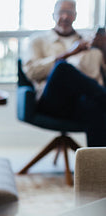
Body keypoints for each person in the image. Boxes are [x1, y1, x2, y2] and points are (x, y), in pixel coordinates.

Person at [23, 0, 106, 146]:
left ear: (75, 16)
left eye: (70, 12)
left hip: (81, 102)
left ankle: (96, 166)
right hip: (51, 102)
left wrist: (103, 49)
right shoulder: (38, 41)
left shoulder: (88, 42)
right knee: (62, 68)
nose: (65, 17)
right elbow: (31, 72)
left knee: (94, 107)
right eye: (61, 12)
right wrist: (69, 53)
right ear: (53, 15)